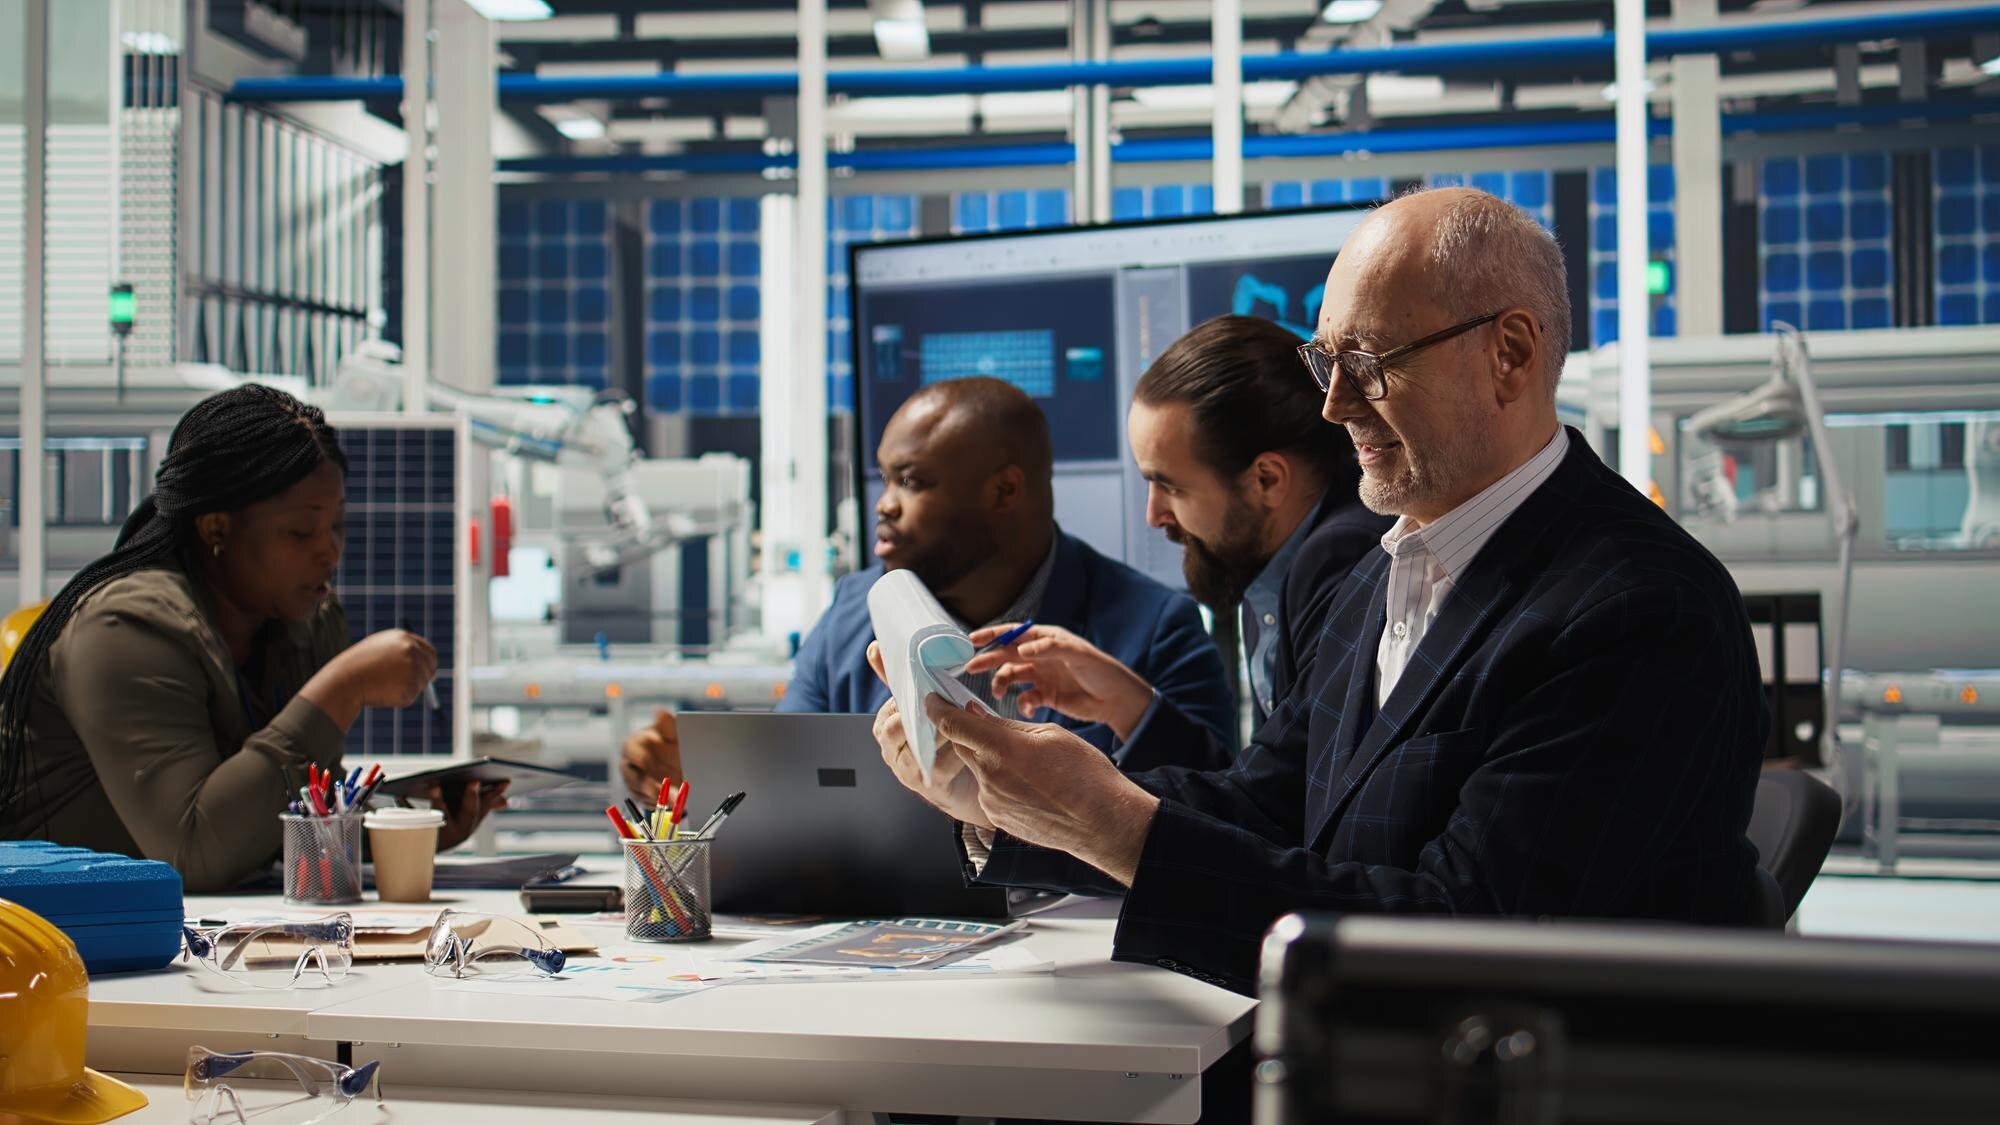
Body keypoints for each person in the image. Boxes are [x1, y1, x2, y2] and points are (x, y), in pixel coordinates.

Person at [871, 187, 1768, 997]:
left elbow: (1470, 942)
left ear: (1511, 353)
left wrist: (1116, 826)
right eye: (1325, 359)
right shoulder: (1383, 573)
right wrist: (1008, 805)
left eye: (1369, 361)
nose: (1334, 405)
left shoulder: (1639, 609)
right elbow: (1267, 803)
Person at [621, 376, 1237, 799]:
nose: (884, 505)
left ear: (1004, 491)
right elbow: (790, 795)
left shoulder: (1155, 631)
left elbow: (1217, 818)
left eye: (911, 482)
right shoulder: (850, 617)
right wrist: (706, 786)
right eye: (885, 480)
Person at [0, 385, 504, 893]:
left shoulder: (303, 625)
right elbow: (192, 854)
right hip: (52, 928)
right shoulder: (126, 630)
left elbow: (285, 822)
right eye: (301, 531)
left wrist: (412, 829)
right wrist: (341, 689)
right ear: (216, 529)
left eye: (337, 525)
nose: (330, 551)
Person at [960, 314, 1393, 740]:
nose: (1154, 515)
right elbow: (1271, 778)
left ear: (1266, 480)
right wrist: (1128, 705)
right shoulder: (1269, 571)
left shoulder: (1337, 563)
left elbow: (1285, 785)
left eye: (1170, 487)